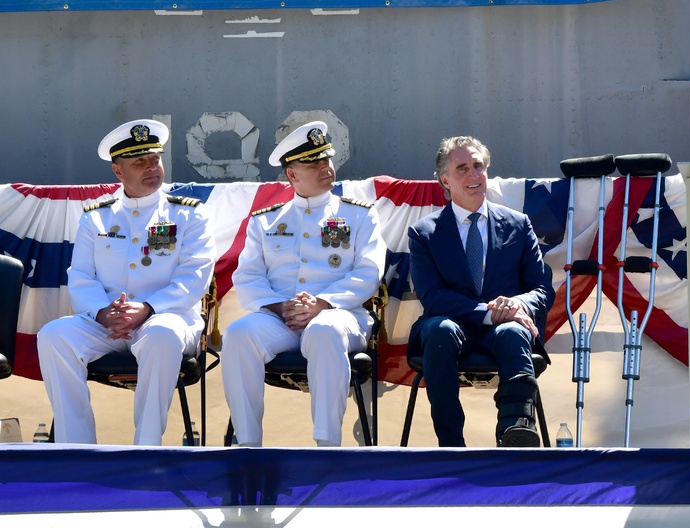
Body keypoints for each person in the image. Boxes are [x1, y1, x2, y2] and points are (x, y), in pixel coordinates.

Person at [37, 119, 216, 445]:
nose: (152, 168)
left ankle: (146, 446)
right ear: (119, 172)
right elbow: (81, 276)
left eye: (155, 159)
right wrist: (102, 313)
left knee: (161, 333)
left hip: (168, 320)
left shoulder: (189, 215)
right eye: (140, 162)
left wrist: (147, 309)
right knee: (54, 335)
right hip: (109, 324)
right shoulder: (97, 217)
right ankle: (75, 447)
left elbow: (194, 277)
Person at [222, 121, 385, 447]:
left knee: (324, 329)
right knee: (238, 335)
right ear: (292, 175)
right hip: (281, 319)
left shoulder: (360, 216)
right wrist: (281, 307)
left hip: (342, 316)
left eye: (326, 159)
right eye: (314, 163)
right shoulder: (265, 221)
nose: (325, 168)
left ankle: (327, 447)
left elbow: (369, 271)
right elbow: (247, 276)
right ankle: (247, 447)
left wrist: (322, 303)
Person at [407, 136, 555, 447]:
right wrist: (487, 312)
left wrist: (517, 304)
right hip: (451, 324)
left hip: (503, 327)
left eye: (479, 166)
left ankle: (516, 429)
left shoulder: (518, 224)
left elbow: (541, 287)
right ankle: (451, 446)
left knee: (514, 332)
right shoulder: (425, 233)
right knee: (440, 331)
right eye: (462, 169)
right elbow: (432, 296)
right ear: (445, 180)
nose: (474, 176)